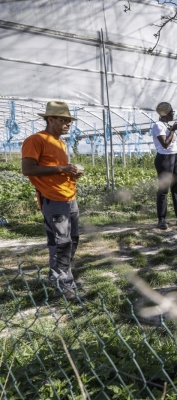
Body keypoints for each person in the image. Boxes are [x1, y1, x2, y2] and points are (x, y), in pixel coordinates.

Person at [21, 101, 84, 299]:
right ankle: (63, 286)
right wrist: (62, 169)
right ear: (50, 119)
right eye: (63, 120)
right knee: (61, 243)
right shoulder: (36, 140)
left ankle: (57, 277)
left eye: (69, 121)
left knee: (72, 240)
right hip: (53, 199)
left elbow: (56, 169)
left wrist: (72, 173)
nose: (67, 124)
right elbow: (28, 169)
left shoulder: (60, 142)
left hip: (68, 196)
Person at [152, 102, 177, 229]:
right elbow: (164, 144)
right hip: (164, 158)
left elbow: (172, 143)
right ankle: (162, 219)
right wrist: (173, 130)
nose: (173, 113)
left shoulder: (166, 125)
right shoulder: (158, 125)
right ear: (165, 114)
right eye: (172, 112)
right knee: (164, 190)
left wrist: (176, 147)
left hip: (175, 157)